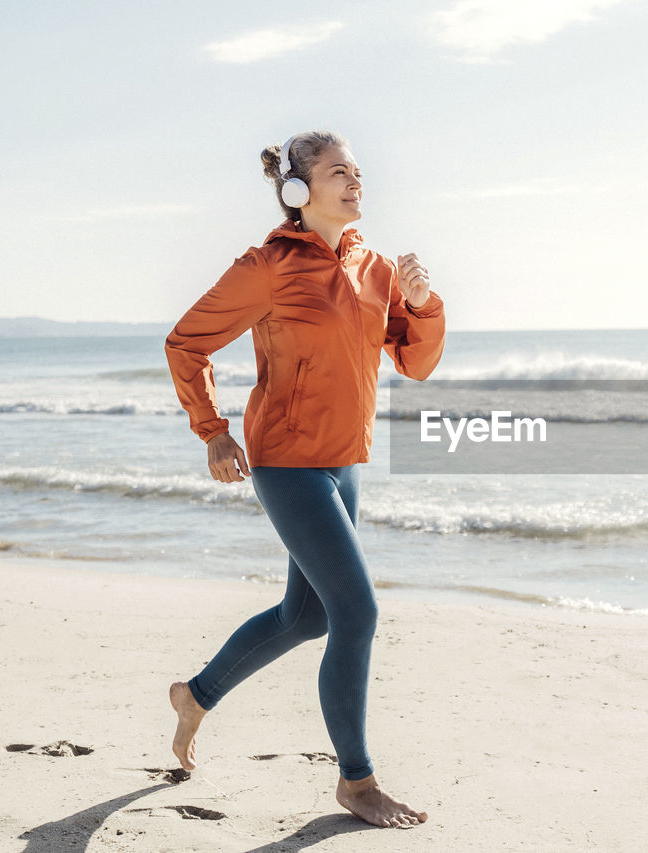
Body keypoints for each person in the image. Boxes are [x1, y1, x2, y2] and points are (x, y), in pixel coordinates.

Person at [163, 130, 444, 829]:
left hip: (343, 461)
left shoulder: (376, 269)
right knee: (358, 612)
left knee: (309, 614)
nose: (355, 182)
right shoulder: (269, 265)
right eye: (338, 172)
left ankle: (194, 695)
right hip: (286, 461)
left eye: (358, 171)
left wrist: (423, 304)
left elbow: (416, 363)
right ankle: (357, 780)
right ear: (299, 190)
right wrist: (213, 429)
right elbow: (186, 341)